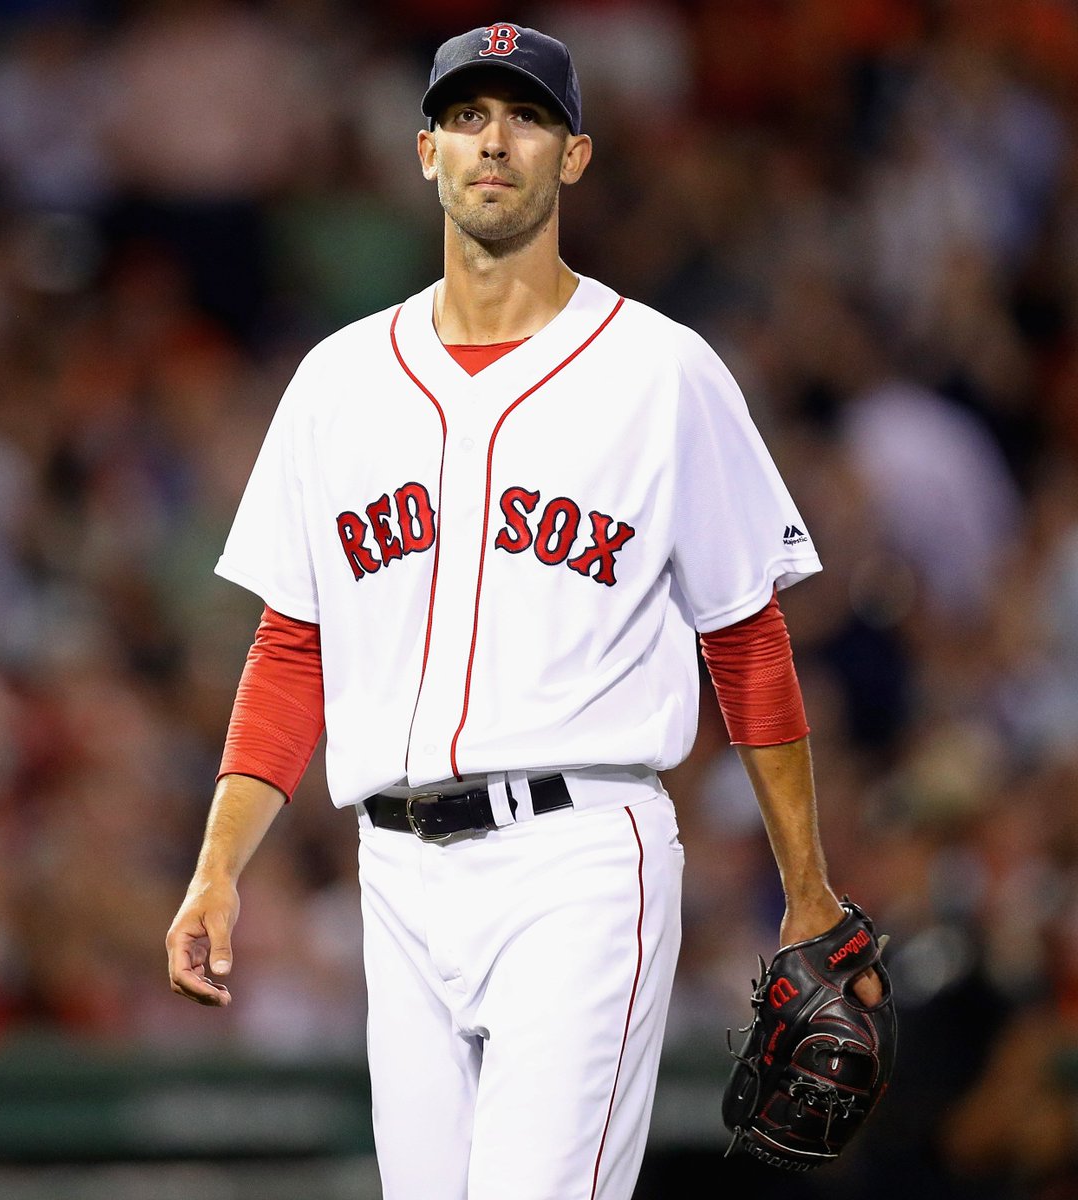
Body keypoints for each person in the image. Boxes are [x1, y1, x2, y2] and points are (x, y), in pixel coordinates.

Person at [166, 22, 881, 1200]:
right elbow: (294, 646)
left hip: (582, 858)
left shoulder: (662, 371)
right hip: (393, 873)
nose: (493, 142)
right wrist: (217, 866)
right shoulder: (338, 380)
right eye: (466, 117)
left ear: (577, 156)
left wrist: (807, 883)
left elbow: (746, 639)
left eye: (526, 117)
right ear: (424, 152)